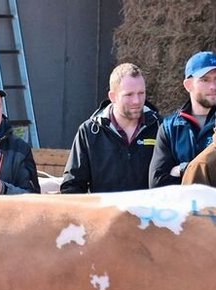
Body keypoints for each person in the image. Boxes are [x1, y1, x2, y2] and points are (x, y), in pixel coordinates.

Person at [59, 62, 159, 193]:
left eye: (141, 93)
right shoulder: (89, 132)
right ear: (113, 97)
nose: (137, 101)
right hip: (104, 213)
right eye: (129, 95)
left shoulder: (161, 128)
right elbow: (72, 185)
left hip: (149, 213)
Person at [149, 50, 216, 188]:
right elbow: (157, 182)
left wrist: (180, 170)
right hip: (181, 208)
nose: (213, 86)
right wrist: (194, 169)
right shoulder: (170, 127)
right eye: (205, 80)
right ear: (188, 85)